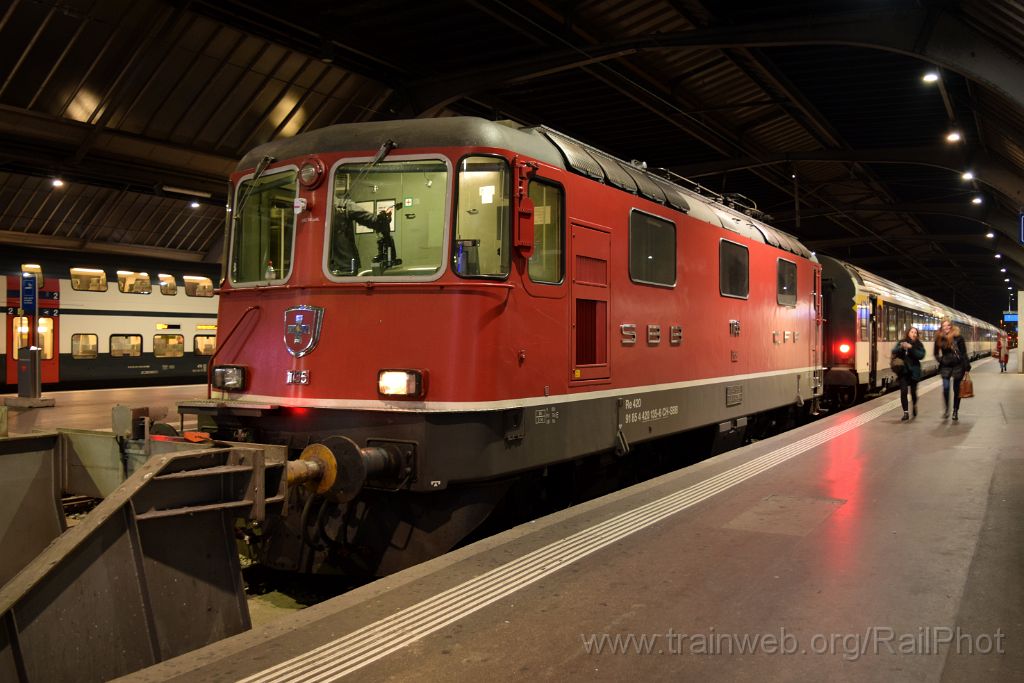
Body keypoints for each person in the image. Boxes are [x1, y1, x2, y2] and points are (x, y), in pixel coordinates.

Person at [330, 198, 393, 275]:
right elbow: (376, 222)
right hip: (345, 267)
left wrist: (383, 217)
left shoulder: (343, 206)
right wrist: (385, 217)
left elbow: (375, 221)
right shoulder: (343, 205)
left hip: (340, 268)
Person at [933, 319, 971, 421]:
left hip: (958, 365)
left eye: (948, 325)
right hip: (945, 366)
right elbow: (936, 353)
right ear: (941, 327)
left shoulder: (958, 338)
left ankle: (955, 410)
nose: (946, 327)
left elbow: (963, 353)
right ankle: (946, 409)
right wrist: (941, 360)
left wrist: (967, 367)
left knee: (956, 389)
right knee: (946, 387)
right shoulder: (939, 338)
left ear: (951, 326)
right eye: (944, 325)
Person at [892, 326, 925, 421]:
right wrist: (901, 347)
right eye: (912, 332)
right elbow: (894, 351)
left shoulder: (918, 344)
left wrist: (911, 348)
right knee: (903, 392)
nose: (914, 334)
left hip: (914, 372)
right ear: (908, 333)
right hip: (903, 371)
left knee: (913, 392)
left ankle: (914, 405)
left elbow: (921, 355)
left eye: (915, 332)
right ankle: (905, 412)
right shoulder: (902, 342)